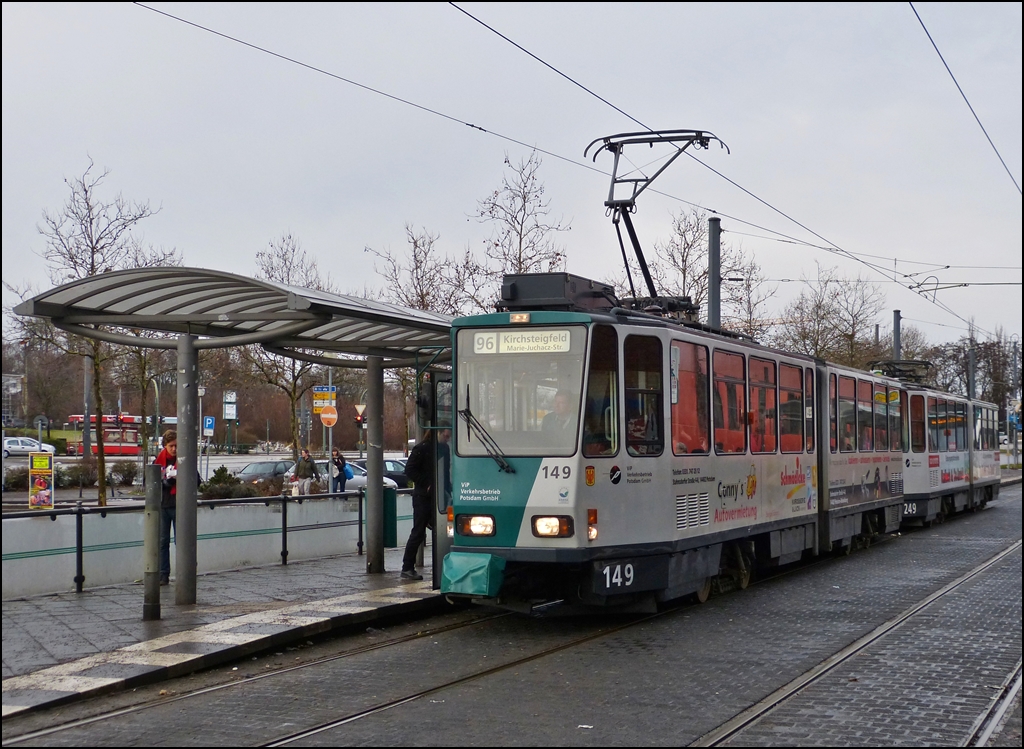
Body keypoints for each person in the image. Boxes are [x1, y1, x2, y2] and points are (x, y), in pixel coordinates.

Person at [400, 428, 451, 581]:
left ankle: (438, 564)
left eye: (449, 437)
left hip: (436, 495)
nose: (447, 439)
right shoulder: (422, 448)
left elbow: (445, 472)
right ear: (438, 433)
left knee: (439, 530)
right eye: (446, 436)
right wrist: (427, 483)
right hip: (424, 496)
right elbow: (409, 470)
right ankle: (407, 567)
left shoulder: (443, 448)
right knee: (419, 532)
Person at [153, 430, 178, 586]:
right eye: (171, 446)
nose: (174, 449)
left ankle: (184, 571)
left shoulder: (184, 460)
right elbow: (149, 482)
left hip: (179, 505)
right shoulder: (158, 461)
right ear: (165, 446)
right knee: (163, 542)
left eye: (176, 446)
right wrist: (165, 483)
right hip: (163, 505)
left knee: (181, 541)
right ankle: (163, 574)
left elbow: (196, 481)